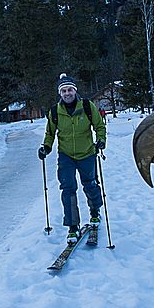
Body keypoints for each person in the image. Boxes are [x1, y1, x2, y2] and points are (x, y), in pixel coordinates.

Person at [38, 73, 106, 242]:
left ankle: (95, 212)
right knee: (68, 189)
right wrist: (46, 147)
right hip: (66, 156)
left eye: (69, 90)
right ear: (60, 94)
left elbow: (99, 126)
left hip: (87, 153)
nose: (67, 93)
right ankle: (73, 227)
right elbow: (50, 133)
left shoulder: (87, 106)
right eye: (64, 91)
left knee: (90, 184)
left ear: (75, 91)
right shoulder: (55, 112)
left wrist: (101, 141)